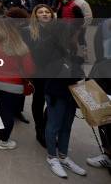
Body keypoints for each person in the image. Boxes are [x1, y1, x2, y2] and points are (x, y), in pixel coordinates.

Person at [40, 14, 87, 178]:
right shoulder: (50, 48)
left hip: (71, 92)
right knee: (54, 125)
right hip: (56, 91)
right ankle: (52, 157)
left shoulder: (71, 47)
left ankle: (63, 155)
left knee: (67, 125)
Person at [0, 17, 35, 150]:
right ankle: (3, 141)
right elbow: (29, 69)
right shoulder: (20, 45)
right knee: (7, 113)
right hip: (12, 85)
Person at [24, 4, 56, 148]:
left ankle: (47, 126)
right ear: (35, 16)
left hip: (56, 72)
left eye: (47, 12)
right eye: (40, 12)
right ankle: (40, 130)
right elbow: (26, 54)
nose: (44, 14)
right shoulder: (28, 31)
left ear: (51, 15)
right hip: (38, 72)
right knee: (39, 100)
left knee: (53, 101)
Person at [86, 19, 111, 168]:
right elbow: (98, 53)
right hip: (105, 80)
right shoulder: (105, 25)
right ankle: (107, 154)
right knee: (104, 118)